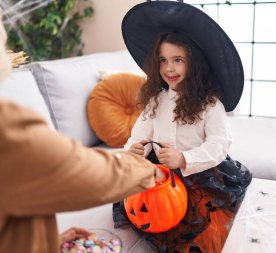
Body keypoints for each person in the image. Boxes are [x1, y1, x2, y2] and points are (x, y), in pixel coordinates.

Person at [0, 7, 165, 253]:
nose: (5, 32)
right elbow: (83, 172)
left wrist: (48, 241)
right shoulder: (7, 126)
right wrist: (148, 170)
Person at [113, 2, 253, 252]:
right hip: (161, 174)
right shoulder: (156, 100)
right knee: (143, 206)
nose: (169, 68)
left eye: (178, 60)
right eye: (163, 60)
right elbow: (140, 134)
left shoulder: (210, 104)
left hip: (196, 173)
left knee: (196, 226)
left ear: (193, 63)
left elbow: (219, 145)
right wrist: (135, 150)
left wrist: (184, 158)